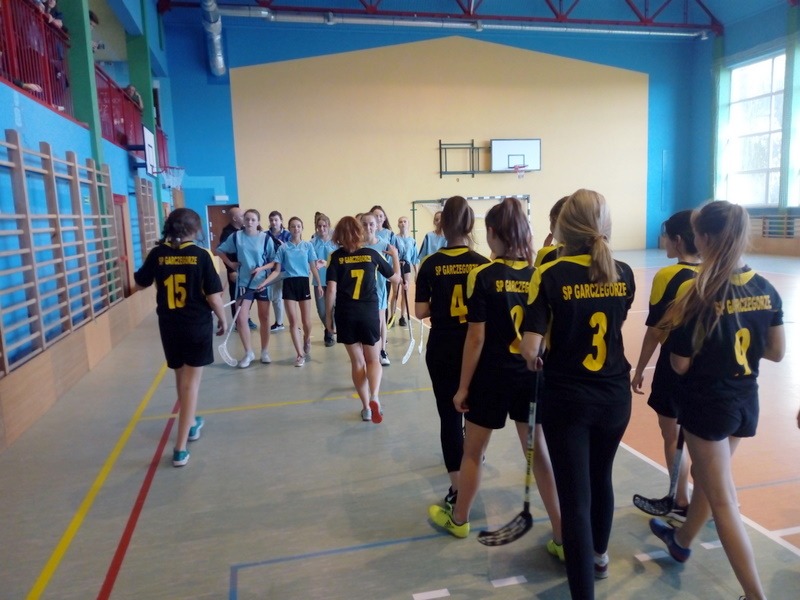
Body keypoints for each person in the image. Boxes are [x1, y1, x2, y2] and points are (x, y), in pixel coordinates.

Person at [648, 201, 784, 600]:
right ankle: (681, 541)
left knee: (723, 500)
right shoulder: (765, 287)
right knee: (709, 479)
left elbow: (680, 363)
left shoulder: (698, 293)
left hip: (709, 405)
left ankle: (754, 595)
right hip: (745, 401)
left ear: (705, 238)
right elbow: (776, 352)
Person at [427, 198, 563, 556]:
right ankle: (563, 535)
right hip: (529, 376)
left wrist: (462, 387)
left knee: (473, 452)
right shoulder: (538, 275)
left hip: (491, 378)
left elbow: (476, 338)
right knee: (540, 455)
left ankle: (459, 519)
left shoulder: (483, 275)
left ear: (491, 232)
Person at [520, 189, 636, 598]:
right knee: (601, 477)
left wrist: (537, 353)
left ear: (562, 229)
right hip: (615, 396)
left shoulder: (549, 273)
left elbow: (530, 347)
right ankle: (600, 557)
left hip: (569, 399)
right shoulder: (623, 272)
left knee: (574, 500)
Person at [133, 208, 226, 467]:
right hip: (196, 325)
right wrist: (223, 318)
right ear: (195, 229)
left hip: (169, 325)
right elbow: (213, 296)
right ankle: (180, 447)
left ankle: (191, 419)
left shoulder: (158, 254)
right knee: (191, 384)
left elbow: (139, 283)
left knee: (180, 376)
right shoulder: (201, 255)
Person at [415, 196, 490, 512]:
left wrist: (443, 307)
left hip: (443, 347)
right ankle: (473, 464)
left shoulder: (430, 264)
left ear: (441, 225)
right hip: (477, 349)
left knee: (449, 417)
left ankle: (457, 489)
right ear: (470, 225)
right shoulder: (482, 264)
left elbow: (420, 311)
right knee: (475, 414)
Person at [630, 210, 700, 519]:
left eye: (667, 237)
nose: (664, 242)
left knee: (672, 434)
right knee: (705, 439)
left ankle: (680, 500)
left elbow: (656, 330)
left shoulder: (668, 276)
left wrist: (639, 369)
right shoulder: (716, 273)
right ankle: (712, 498)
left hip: (674, 367)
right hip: (710, 370)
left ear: (678, 240)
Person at [325, 216, 400, 422]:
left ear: (338, 235)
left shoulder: (335, 257)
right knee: (373, 359)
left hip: (346, 314)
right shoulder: (372, 254)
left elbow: (331, 290)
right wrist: (394, 256)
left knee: (357, 362)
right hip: (368, 313)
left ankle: (366, 407)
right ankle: (375, 396)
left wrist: (328, 318)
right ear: (359, 232)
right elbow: (396, 278)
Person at [215, 209, 277, 368]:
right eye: (247, 219)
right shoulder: (236, 237)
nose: (249, 222)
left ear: (258, 222)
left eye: (253, 219)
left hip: (261, 283)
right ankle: (248, 353)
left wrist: (262, 269)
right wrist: (231, 264)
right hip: (243, 283)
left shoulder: (266, 239)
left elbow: (274, 261)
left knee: (264, 317)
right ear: (243, 221)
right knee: (241, 318)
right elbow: (219, 250)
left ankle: (265, 351)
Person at [259, 217, 322, 367]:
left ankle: (307, 338)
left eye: (298, 226)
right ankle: (300, 355)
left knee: (306, 321)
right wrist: (264, 283)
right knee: (293, 321)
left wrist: (319, 284)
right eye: (293, 226)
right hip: (289, 284)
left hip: (303, 283)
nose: (296, 229)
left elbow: (313, 267)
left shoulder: (307, 246)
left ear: (302, 228)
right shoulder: (283, 248)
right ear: (289, 228)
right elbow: (276, 271)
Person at [218, 206, 257, 331]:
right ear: (235, 218)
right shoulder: (228, 233)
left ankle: (245, 317)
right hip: (235, 272)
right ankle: (238, 322)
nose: (246, 219)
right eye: (242, 216)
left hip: (247, 271)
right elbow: (222, 251)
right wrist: (231, 268)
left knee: (248, 295)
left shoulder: (243, 231)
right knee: (237, 297)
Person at [361, 212, 392, 366]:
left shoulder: (385, 245)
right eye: (364, 224)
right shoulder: (357, 246)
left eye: (371, 224)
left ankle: (382, 351)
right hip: (362, 292)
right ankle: (368, 352)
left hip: (379, 289)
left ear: (377, 225)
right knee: (366, 323)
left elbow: (391, 271)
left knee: (380, 322)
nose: (368, 227)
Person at [311, 213, 337, 347]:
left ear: (328, 226)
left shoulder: (336, 241)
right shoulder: (312, 243)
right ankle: (329, 327)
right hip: (319, 281)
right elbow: (310, 262)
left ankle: (329, 333)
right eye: (319, 226)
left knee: (333, 308)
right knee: (322, 310)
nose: (322, 229)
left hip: (334, 281)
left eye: (324, 226)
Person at [267, 211, 291, 331]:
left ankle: (294, 323)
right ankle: (279, 322)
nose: (274, 222)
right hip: (273, 271)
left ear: (281, 221)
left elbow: (294, 250)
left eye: (276, 220)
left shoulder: (288, 235)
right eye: (271, 220)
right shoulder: (265, 235)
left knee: (290, 298)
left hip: (287, 270)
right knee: (276, 298)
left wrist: (284, 246)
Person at [394, 215, 418, 326]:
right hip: (396, 265)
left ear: (408, 224)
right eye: (400, 222)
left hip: (406, 266)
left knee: (405, 291)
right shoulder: (394, 238)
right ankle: (392, 316)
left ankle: (402, 316)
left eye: (405, 221)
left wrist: (416, 272)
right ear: (398, 225)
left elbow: (415, 258)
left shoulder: (412, 241)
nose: (402, 223)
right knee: (395, 292)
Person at [535, 196, 569, 267]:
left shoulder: (547, 254)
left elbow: (536, 273)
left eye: (550, 221)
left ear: (555, 221)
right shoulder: (591, 251)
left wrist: (544, 251)